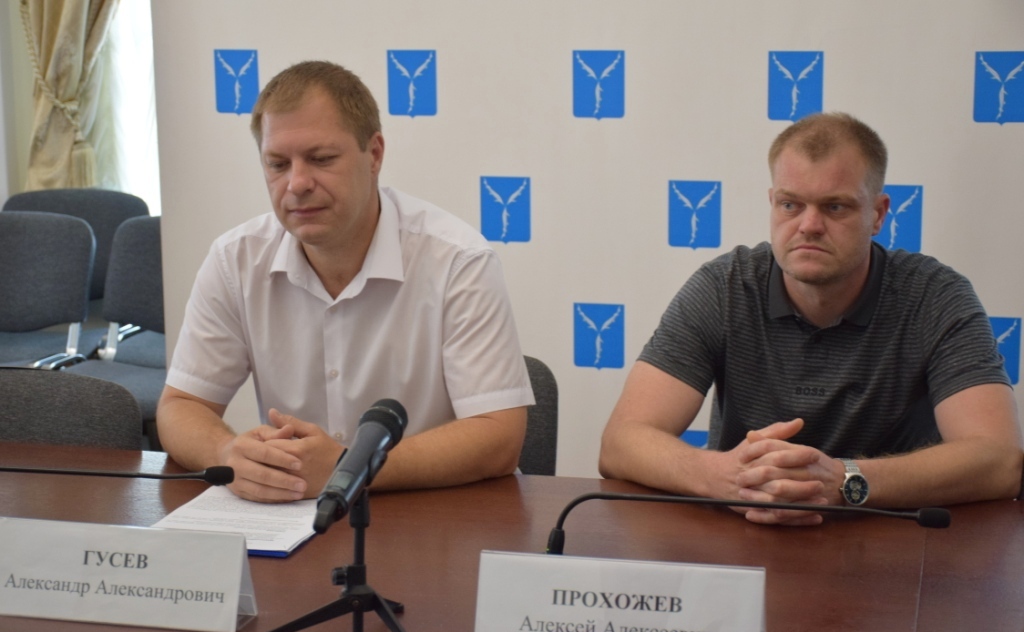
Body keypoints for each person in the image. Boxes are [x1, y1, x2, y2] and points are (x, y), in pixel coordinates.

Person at [600, 112, 1022, 525]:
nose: (809, 225)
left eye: (835, 207)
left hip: (893, 542)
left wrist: (844, 481)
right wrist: (724, 477)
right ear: (772, 202)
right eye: (790, 204)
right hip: (747, 534)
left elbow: (1000, 460)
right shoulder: (723, 287)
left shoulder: (935, 296)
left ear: (878, 214)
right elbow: (621, 443)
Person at [158, 61, 533, 503]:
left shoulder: (457, 261)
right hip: (292, 518)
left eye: (321, 159)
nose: (297, 183)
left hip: (429, 513)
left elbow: (499, 436)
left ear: (374, 155)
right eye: (278, 164)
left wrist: (350, 468)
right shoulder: (235, 259)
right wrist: (226, 452)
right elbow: (182, 406)